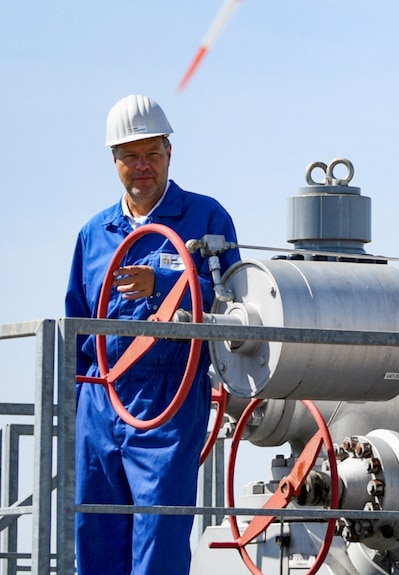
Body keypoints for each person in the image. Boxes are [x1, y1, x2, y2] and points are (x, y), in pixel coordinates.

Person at [65, 94, 241, 575]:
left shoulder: (206, 219)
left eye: (152, 154)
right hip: (100, 398)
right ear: (114, 160)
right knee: (96, 532)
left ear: (169, 153)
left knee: (159, 535)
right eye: (131, 156)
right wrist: (73, 405)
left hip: (169, 393)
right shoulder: (94, 234)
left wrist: (163, 284)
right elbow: (76, 324)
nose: (143, 167)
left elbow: (238, 305)